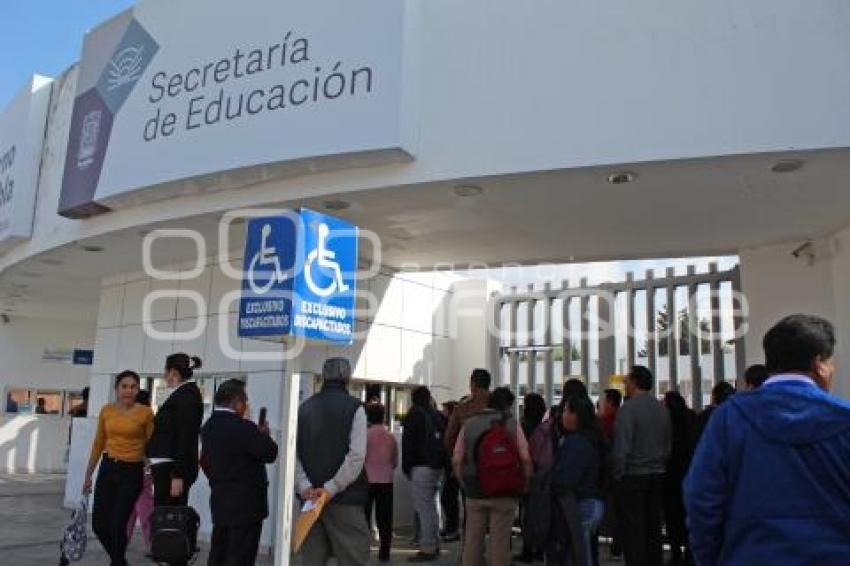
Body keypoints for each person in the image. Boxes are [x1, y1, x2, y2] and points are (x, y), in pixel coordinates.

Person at [684, 314, 850, 566]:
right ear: (819, 363)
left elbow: (701, 498)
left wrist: (712, 558)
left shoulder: (729, 417)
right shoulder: (844, 418)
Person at [295, 358, 370, 566]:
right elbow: (356, 457)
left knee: (312, 559)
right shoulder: (356, 408)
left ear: (324, 376)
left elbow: (294, 452)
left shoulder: (304, 408)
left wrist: (304, 486)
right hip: (345, 499)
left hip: (309, 501)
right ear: (347, 378)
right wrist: (330, 488)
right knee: (354, 558)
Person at [201, 379, 279, 566]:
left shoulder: (208, 427)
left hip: (220, 501)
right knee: (241, 556)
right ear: (237, 402)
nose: (246, 407)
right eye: (245, 402)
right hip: (247, 506)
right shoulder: (245, 428)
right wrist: (264, 435)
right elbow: (270, 453)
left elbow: (205, 461)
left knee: (219, 551)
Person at [453, 387, 533, 566]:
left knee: (472, 542)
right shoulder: (512, 424)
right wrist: (526, 482)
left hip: (475, 491)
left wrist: (464, 483)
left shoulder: (469, 424)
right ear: (507, 406)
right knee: (500, 544)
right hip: (505, 490)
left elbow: (457, 459)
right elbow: (526, 457)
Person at [83, 370, 154, 566]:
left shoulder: (145, 413)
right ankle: (120, 561)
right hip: (108, 468)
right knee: (98, 524)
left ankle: (117, 563)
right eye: (124, 386)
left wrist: (151, 469)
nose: (129, 391)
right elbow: (98, 443)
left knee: (118, 524)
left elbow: (152, 444)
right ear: (116, 388)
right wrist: (88, 475)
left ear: (138, 390)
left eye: (133, 387)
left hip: (132, 472)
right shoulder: (107, 411)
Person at [613, 365, 671, 566]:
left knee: (634, 532)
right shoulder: (661, 408)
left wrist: (618, 474)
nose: (624, 385)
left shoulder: (628, 409)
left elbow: (622, 447)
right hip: (657, 476)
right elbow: (667, 445)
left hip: (633, 477)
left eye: (626, 381)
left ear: (635, 382)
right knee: (653, 528)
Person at [551, 394, 608, 566]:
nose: (563, 415)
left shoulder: (577, 442)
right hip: (592, 501)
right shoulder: (592, 437)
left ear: (577, 416)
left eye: (567, 411)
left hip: (581, 504)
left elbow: (566, 478)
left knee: (579, 553)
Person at [147, 353, 204, 510]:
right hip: (167, 468)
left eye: (165, 371)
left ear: (173, 372)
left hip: (171, 470)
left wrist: (178, 475)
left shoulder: (186, 397)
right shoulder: (182, 395)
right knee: (164, 519)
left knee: (168, 521)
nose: (164, 375)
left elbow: (186, 437)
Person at [402, 386, 445, 562]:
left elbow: (408, 443)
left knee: (424, 508)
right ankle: (435, 544)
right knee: (433, 508)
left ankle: (427, 548)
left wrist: (407, 467)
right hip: (437, 466)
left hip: (420, 466)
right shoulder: (436, 415)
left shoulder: (414, 415)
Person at [662, 390, 697, 566]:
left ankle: (675, 554)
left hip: (669, 476)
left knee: (672, 518)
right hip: (689, 474)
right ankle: (690, 555)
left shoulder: (666, 423)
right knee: (687, 518)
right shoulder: (692, 419)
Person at [364, 403, 397, 562]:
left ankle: (363, 549)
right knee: (385, 519)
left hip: (367, 481)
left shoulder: (365, 435)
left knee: (364, 517)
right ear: (383, 416)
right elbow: (395, 461)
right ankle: (384, 553)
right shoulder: (390, 436)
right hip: (386, 481)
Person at [516, 392, 546, 563]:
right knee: (540, 513)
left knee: (526, 514)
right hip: (542, 475)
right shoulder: (544, 427)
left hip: (525, 475)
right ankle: (540, 549)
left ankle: (527, 550)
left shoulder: (523, 426)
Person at [126, 390, 155, 555]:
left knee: (128, 512)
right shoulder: (148, 420)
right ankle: (153, 546)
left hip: (128, 471)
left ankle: (119, 547)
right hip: (142, 471)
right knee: (146, 512)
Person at [444, 369, 492, 457]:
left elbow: (449, 439)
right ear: (489, 384)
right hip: (498, 462)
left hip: (470, 463)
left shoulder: (461, 409)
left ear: (473, 384)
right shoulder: (500, 405)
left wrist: (460, 458)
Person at [438, 400, 461, 542]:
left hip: (454, 467)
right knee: (448, 498)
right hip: (450, 467)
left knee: (448, 498)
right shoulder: (448, 425)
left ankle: (453, 529)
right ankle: (451, 527)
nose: (443, 412)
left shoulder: (455, 427)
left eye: (445, 410)